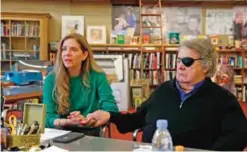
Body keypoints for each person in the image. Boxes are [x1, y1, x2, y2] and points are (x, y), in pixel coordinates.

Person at [74, 38, 247, 150]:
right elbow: (138, 119)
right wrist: (109, 116)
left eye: (187, 62)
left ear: (206, 66)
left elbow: (238, 136)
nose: (179, 66)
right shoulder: (164, 90)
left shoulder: (222, 99)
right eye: (178, 60)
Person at [43, 33, 119, 136]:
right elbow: (47, 117)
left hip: (89, 132)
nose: (67, 53)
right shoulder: (51, 79)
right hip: (59, 133)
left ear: (84, 55)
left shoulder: (98, 77)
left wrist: (90, 119)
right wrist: (68, 122)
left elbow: (111, 109)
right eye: (64, 49)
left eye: (73, 49)